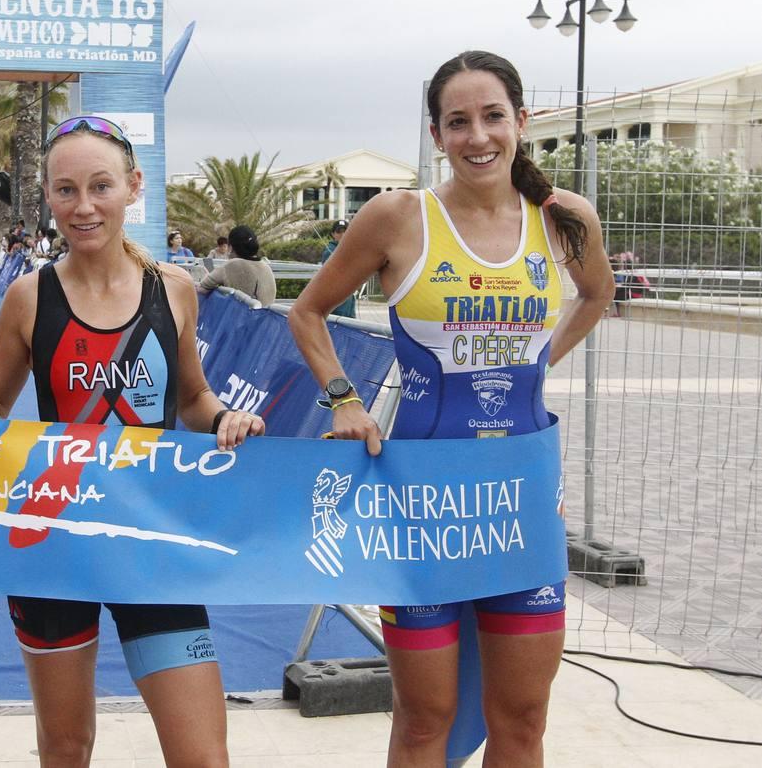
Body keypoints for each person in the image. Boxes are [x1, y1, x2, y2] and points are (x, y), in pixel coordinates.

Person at [287, 51, 614, 766]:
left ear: (521, 122)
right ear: (435, 135)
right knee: (422, 719)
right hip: (421, 502)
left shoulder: (563, 217)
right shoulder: (398, 216)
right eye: (457, 122)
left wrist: (535, 362)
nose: (477, 137)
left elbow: (596, 296)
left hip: (521, 497)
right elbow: (307, 313)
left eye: (492, 116)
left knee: (522, 719)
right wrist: (343, 400)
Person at [0, 115, 264, 768]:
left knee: (202, 756)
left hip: (151, 543)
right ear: (49, 200)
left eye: (99, 187)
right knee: (66, 750)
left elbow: (191, 399)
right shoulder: (28, 297)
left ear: (132, 187)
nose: (83, 207)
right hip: (56, 547)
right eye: (65, 191)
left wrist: (226, 417)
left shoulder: (172, 289)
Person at [198, 224, 276, 307]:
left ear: (231, 247)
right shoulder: (266, 267)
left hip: (239, 318)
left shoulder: (231, 265)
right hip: (265, 318)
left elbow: (202, 288)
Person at [320, 219, 356, 318]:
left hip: (349, 302)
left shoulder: (351, 250)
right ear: (333, 234)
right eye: (339, 231)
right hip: (336, 304)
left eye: (345, 231)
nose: (342, 234)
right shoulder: (329, 251)